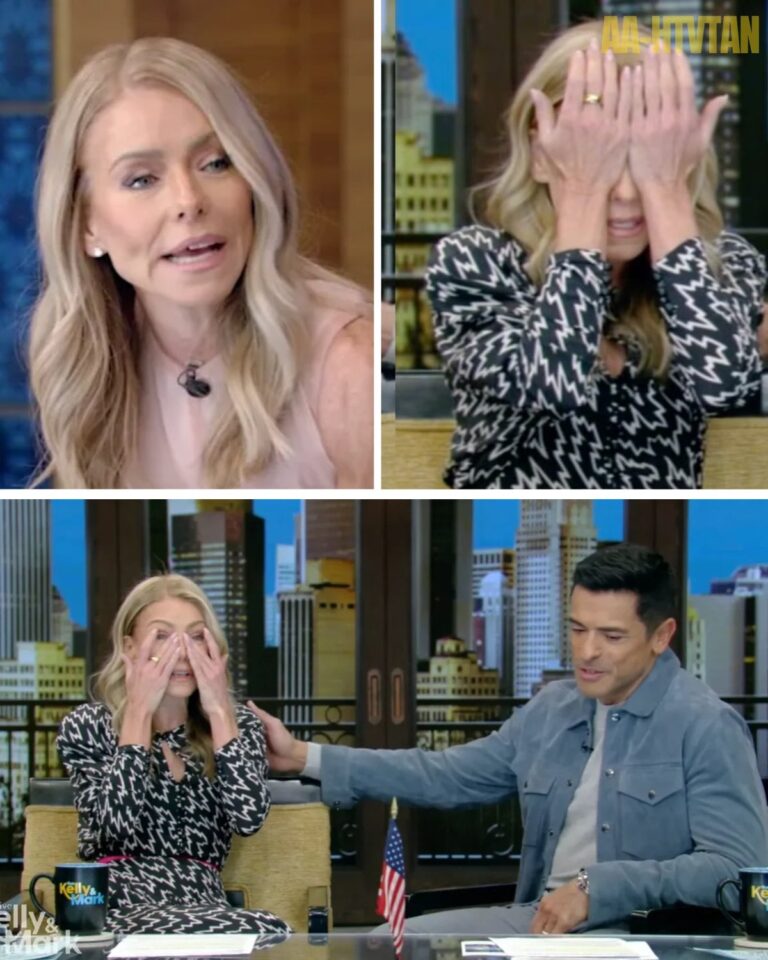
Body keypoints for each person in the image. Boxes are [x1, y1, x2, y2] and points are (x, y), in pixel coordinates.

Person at [250, 544, 768, 935]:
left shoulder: (707, 726)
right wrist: (303, 755)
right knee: (387, 944)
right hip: (539, 923)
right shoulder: (551, 710)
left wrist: (599, 888)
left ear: (661, 635)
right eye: (577, 629)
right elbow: (445, 775)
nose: (587, 652)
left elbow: (734, 870)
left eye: (611, 636)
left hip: (646, 934)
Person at [424, 20, 764, 489]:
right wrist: (584, 190)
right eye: (600, 156)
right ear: (540, 155)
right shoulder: (474, 262)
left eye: (645, 157)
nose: (625, 192)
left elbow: (722, 385)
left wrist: (665, 190)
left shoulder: (725, 261)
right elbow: (551, 384)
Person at [29, 37, 372, 489]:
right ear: (85, 224)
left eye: (215, 163)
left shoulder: (354, 364)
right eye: (141, 179)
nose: (188, 201)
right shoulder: (84, 364)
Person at [57, 573, 289, 937]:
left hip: (206, 910)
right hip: (117, 906)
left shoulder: (238, 726)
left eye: (196, 636)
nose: (182, 653)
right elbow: (113, 828)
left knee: (270, 929)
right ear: (130, 647)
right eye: (162, 636)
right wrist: (138, 713)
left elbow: (248, 819)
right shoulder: (87, 725)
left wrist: (220, 712)